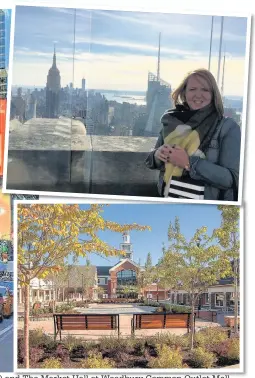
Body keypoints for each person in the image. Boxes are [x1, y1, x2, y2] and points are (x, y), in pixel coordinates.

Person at [145, 68, 241, 201]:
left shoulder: (227, 127)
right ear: (184, 93)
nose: (198, 95)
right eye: (192, 89)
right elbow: (150, 161)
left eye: (205, 90)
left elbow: (232, 179)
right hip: (169, 201)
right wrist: (157, 154)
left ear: (213, 94)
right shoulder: (172, 121)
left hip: (205, 211)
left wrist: (189, 163)